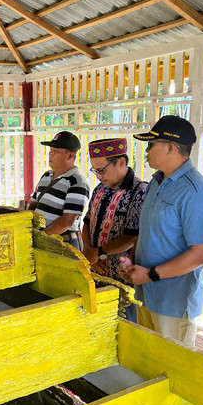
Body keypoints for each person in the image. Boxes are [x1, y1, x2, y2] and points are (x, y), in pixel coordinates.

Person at [120, 115, 203, 347]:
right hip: (147, 294)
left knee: (173, 368)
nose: (147, 150)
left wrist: (150, 274)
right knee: (149, 360)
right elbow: (149, 231)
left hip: (173, 302)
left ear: (171, 148)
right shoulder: (156, 182)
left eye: (152, 144)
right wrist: (132, 259)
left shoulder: (196, 191)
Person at [82, 138, 147, 322]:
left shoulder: (139, 191)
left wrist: (99, 252)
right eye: (95, 171)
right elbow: (87, 222)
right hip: (96, 271)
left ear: (121, 162)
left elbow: (133, 237)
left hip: (122, 277)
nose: (99, 176)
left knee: (125, 327)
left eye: (102, 170)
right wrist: (89, 252)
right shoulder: (99, 190)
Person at [29, 131, 90, 250]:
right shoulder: (46, 176)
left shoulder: (77, 182)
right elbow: (33, 206)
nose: (50, 154)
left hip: (63, 244)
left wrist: (40, 236)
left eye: (55, 151)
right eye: (51, 150)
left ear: (70, 156)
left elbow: (66, 222)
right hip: (41, 241)